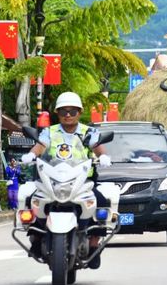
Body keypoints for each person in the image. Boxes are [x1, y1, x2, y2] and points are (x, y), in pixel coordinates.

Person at [21, 91, 111, 269]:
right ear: (57, 113)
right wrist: (31, 154)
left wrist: (104, 157)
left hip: (82, 180)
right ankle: (37, 238)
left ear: (80, 112)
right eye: (63, 111)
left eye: (72, 111)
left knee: (101, 202)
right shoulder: (50, 131)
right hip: (52, 180)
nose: (68, 115)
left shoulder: (88, 131)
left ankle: (94, 245)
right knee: (32, 200)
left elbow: (99, 149)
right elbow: (41, 146)